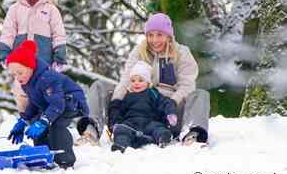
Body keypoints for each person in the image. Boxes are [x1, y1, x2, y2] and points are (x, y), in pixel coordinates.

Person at [76, 13, 210, 146]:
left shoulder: (182, 53)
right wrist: (116, 104)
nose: (155, 40)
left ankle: (193, 135)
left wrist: (171, 103)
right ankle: (90, 132)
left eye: (159, 35)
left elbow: (187, 85)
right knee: (101, 86)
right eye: (150, 35)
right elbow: (126, 80)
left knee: (200, 94)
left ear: (168, 35)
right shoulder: (139, 52)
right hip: (138, 110)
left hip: (169, 113)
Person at [5, 40, 88, 169]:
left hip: (71, 102)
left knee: (55, 125)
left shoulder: (47, 78)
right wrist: (24, 119)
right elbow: (35, 102)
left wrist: (44, 121)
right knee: (36, 122)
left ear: (30, 67)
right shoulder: (28, 82)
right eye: (14, 74)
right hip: (53, 104)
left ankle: (65, 160)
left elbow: (58, 105)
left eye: (20, 73)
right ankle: (43, 156)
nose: (17, 77)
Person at [0, 0, 67, 113]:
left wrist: (59, 56)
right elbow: (8, 33)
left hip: (43, 60)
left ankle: (44, 120)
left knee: (44, 89)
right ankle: (26, 117)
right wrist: (4, 53)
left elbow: (58, 34)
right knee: (21, 91)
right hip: (21, 62)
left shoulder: (51, 9)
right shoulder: (15, 9)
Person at [108, 61, 178, 152]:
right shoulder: (128, 95)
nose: (136, 83)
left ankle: (163, 139)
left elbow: (165, 102)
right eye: (133, 81)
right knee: (122, 130)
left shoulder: (152, 93)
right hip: (131, 123)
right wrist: (116, 122)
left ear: (148, 82)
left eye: (140, 80)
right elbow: (120, 110)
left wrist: (170, 113)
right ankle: (121, 144)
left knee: (158, 128)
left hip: (149, 122)